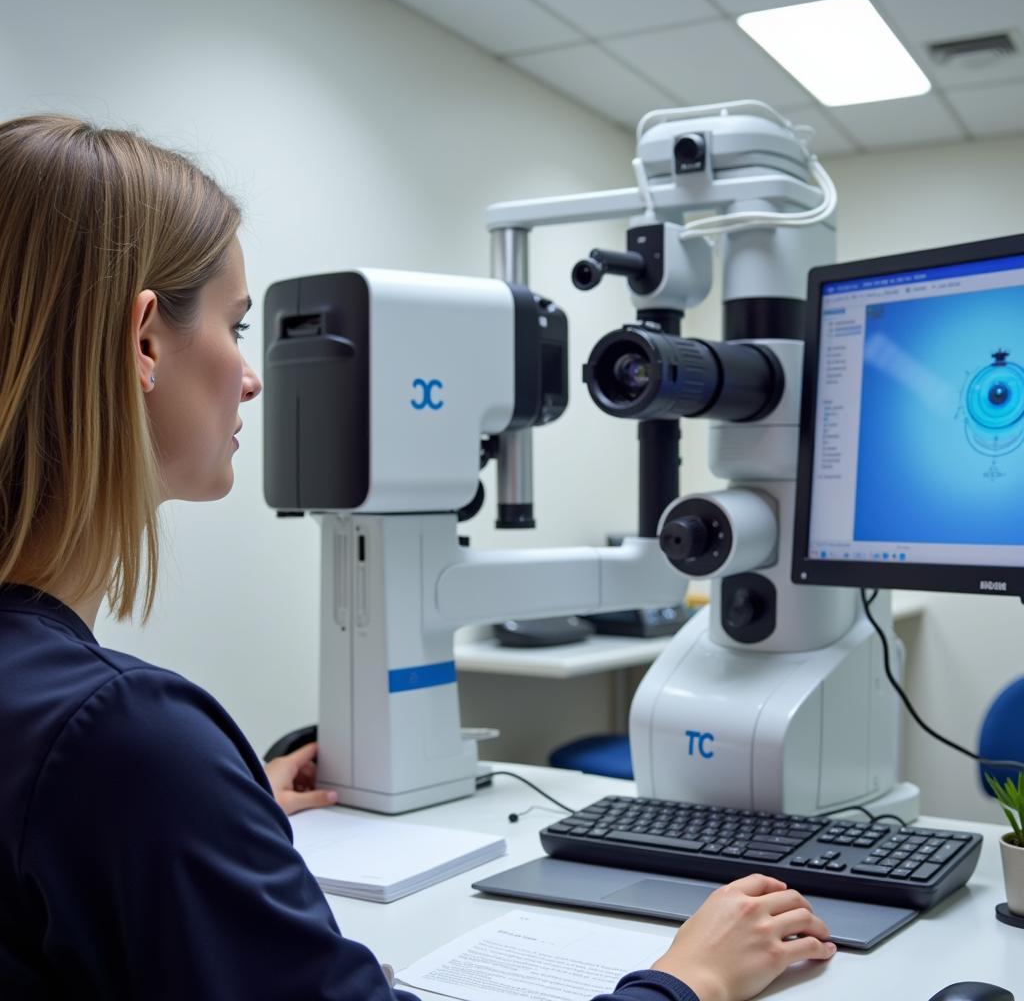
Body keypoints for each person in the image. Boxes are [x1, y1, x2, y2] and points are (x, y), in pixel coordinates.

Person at [0, 115, 836, 1000]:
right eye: (236, 328)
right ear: (143, 342)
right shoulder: (124, 739)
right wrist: (684, 979)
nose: (253, 378)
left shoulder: (87, 735)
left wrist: (214, 819)